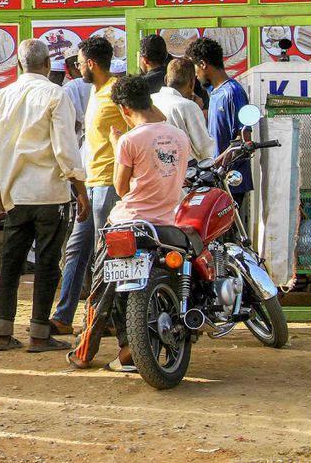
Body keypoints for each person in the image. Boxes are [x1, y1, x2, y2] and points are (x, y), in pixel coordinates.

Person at [69, 75, 190, 372]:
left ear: (123, 108)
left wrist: (115, 143)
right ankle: (130, 348)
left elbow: (122, 188)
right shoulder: (179, 136)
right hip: (165, 226)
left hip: (127, 224)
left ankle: (85, 352)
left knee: (102, 290)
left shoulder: (129, 140)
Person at [0, 39, 86, 354]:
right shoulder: (56, 94)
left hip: (15, 194)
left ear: (20, 66)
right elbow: (66, 147)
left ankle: (2, 332)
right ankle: (39, 333)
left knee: (11, 263)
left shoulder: (3, 97)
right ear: (47, 65)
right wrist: (80, 188)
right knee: (48, 263)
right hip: (49, 193)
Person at [51, 35, 125, 336]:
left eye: (79, 62)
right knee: (76, 250)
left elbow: (137, 128)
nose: (76, 67)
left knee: (103, 254)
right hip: (92, 183)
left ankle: (101, 319)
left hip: (109, 183)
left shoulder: (116, 91)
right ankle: (64, 315)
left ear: (91, 64)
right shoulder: (95, 91)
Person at [187, 36, 252, 204]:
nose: (195, 74)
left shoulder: (233, 92)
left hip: (231, 181)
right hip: (216, 181)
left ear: (203, 64)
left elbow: (243, 140)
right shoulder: (214, 92)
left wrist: (213, 165)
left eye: (195, 67)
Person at [150, 58, 215, 162]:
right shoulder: (188, 106)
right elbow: (205, 149)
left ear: (166, 79)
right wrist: (197, 108)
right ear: (191, 83)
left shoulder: (151, 100)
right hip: (186, 172)